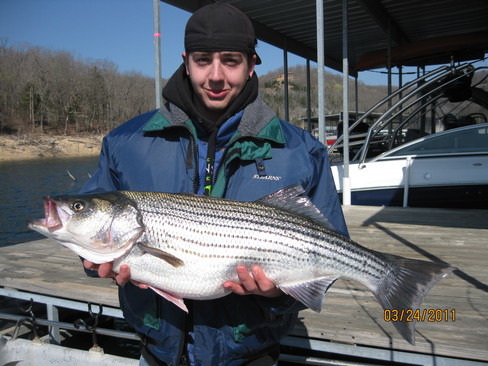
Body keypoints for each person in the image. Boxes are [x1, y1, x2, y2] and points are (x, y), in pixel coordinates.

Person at [81, 3, 349, 366]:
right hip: (157, 352)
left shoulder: (302, 150)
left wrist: (278, 295)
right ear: (186, 61)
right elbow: (90, 225)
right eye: (203, 60)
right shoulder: (124, 142)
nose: (216, 75)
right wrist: (92, 257)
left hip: (251, 353)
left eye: (231, 60)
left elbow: (332, 247)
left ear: (253, 63)